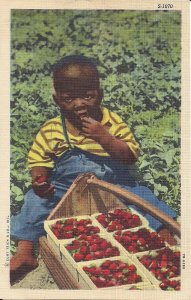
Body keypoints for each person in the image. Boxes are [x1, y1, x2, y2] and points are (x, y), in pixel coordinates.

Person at [10, 55, 178, 284]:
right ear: (57, 100)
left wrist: (105, 138)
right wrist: (39, 180)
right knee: (33, 201)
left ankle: (163, 234)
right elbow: (39, 159)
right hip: (64, 188)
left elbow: (129, 157)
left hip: (113, 184)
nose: (79, 104)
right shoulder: (52, 129)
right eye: (69, 99)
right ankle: (25, 251)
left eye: (87, 96)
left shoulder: (112, 123)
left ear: (99, 94)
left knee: (142, 196)